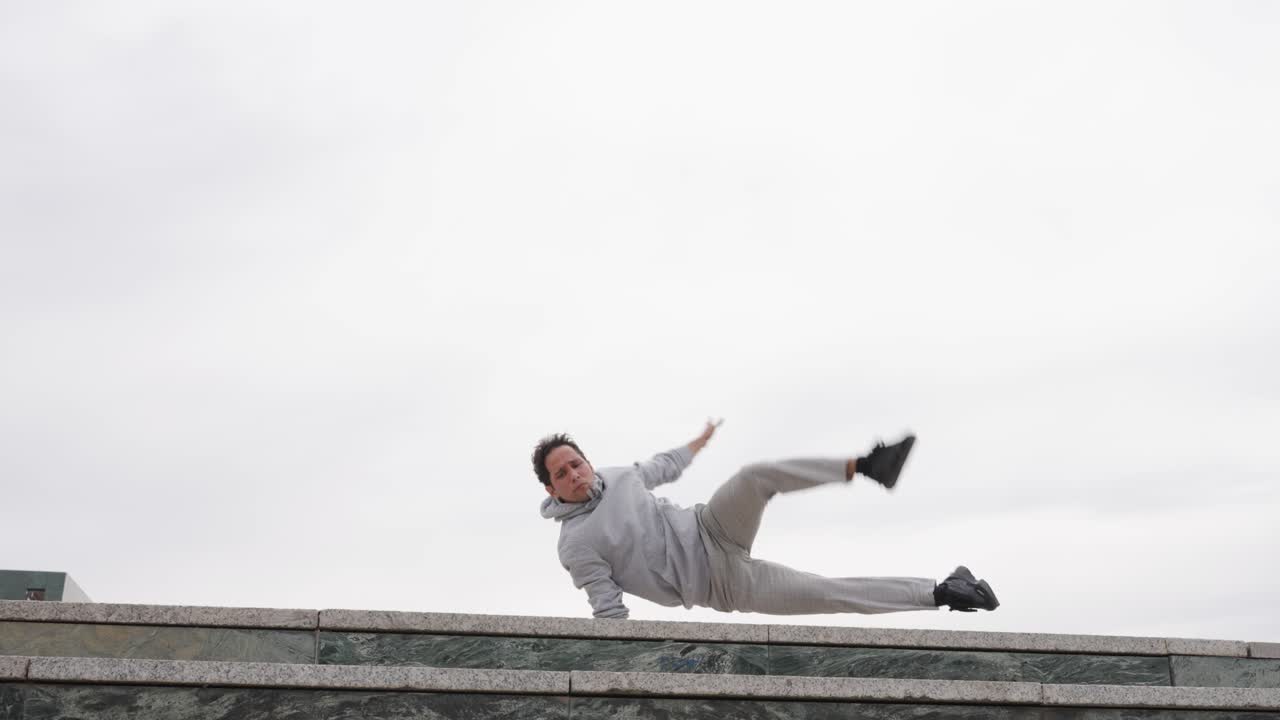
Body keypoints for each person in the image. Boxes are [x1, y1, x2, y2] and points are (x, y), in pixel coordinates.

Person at [535, 420, 999, 619]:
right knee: (827, 593)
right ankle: (944, 591)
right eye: (562, 474)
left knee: (755, 476)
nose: (575, 475)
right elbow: (608, 608)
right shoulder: (576, 544)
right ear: (551, 489)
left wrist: (699, 441)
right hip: (723, 585)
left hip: (711, 527)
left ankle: (869, 465)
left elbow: (664, 466)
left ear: (588, 462)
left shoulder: (619, 477)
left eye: (577, 463)